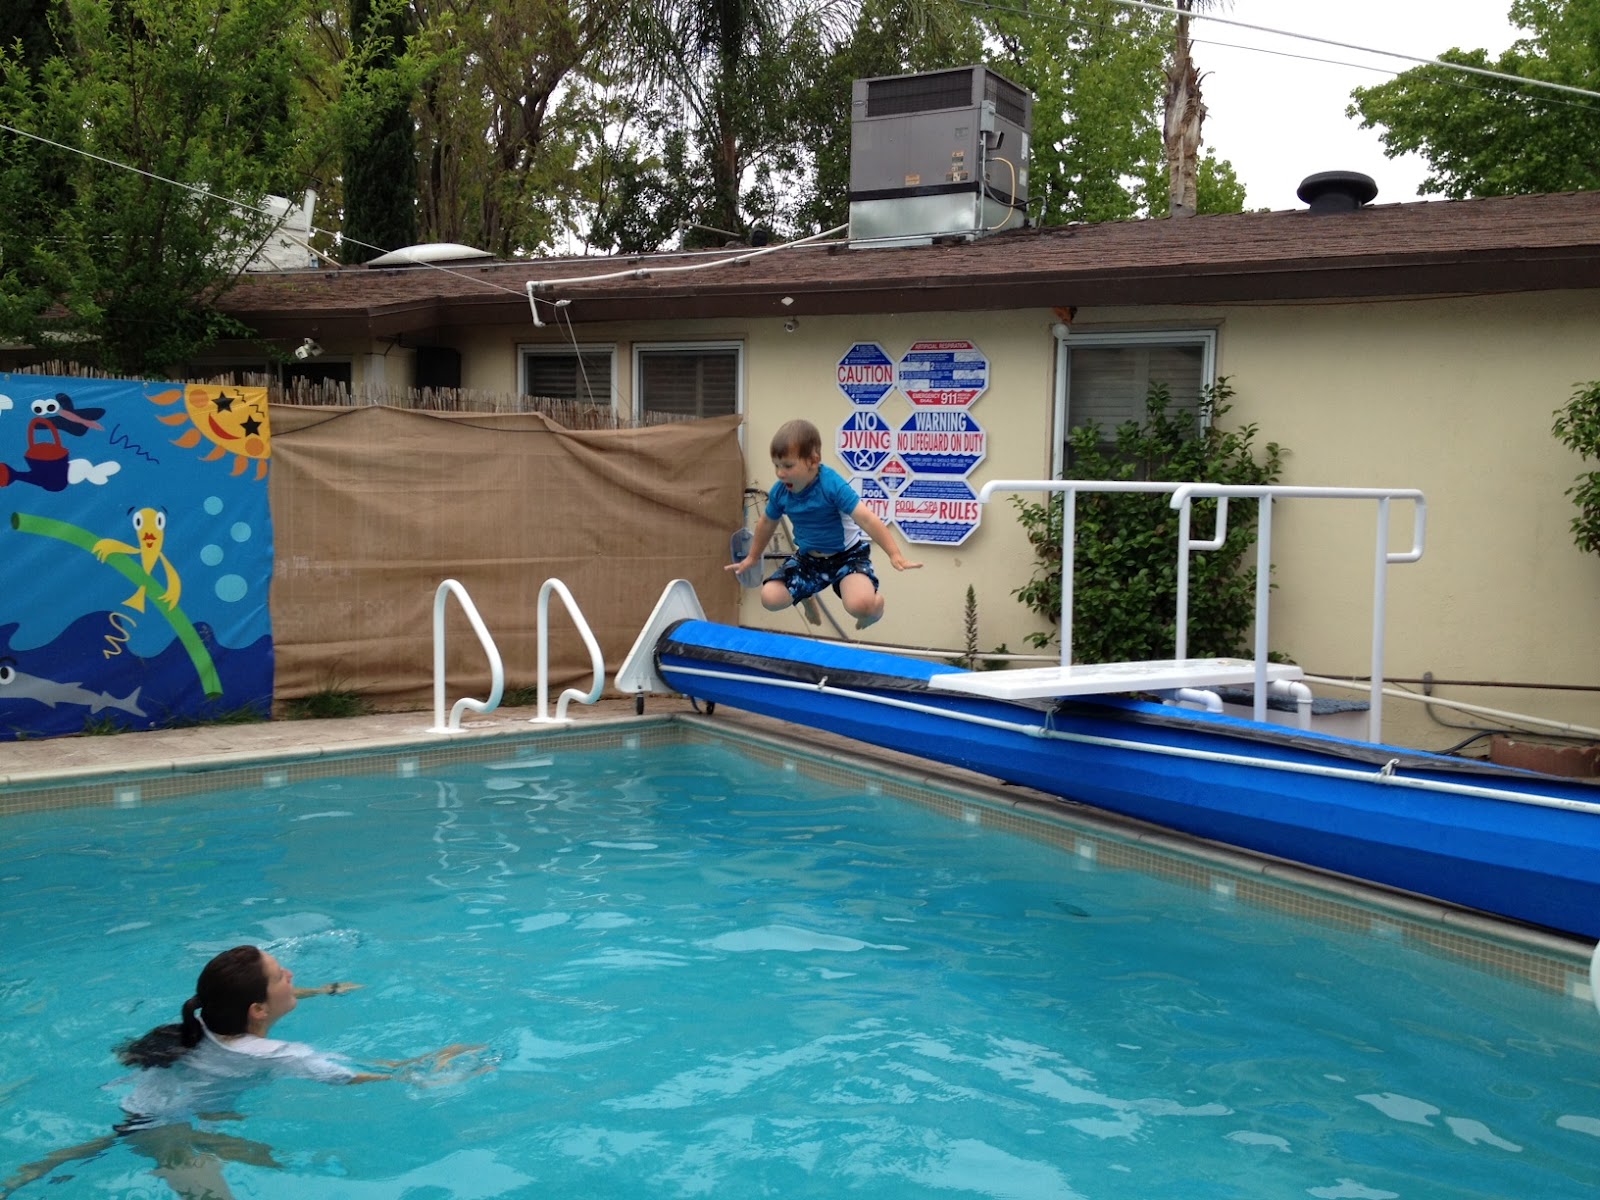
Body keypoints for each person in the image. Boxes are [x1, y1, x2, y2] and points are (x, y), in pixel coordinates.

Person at [1, 945, 480, 1199]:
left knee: (87, 1151)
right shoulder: (281, 1054)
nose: (291, 974)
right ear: (255, 1009)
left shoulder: (199, 1020)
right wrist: (432, 1065)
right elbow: (360, 1076)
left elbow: (251, 1009)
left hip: (142, 1109)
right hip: (170, 1132)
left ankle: (29, 1173)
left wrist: (324, 990)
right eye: (281, 976)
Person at [728, 419, 922, 629]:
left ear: (813, 460)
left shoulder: (832, 485)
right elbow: (766, 523)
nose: (780, 473)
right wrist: (753, 557)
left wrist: (894, 554)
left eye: (788, 466)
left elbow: (867, 518)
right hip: (808, 560)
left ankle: (874, 609)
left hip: (846, 557)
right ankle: (805, 595)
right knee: (770, 598)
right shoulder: (781, 491)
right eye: (776, 465)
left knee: (861, 605)